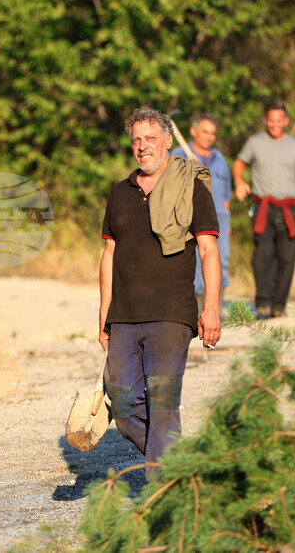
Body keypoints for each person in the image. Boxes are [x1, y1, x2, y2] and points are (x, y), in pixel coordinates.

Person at [99, 108, 222, 474]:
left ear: (168, 141)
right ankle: (180, 465)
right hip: (123, 317)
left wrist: (211, 308)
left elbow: (209, 250)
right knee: (121, 406)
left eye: (150, 138)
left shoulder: (191, 188)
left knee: (163, 403)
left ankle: (164, 493)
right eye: (136, 140)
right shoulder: (121, 192)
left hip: (171, 316)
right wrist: (104, 314)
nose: (142, 147)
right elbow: (108, 256)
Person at [233, 103, 295, 318]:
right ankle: (263, 303)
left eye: (279, 119)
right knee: (263, 256)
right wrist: (239, 182)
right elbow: (239, 163)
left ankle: (279, 305)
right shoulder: (255, 143)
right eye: (271, 119)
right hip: (263, 207)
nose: (275, 123)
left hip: (290, 209)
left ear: (286, 121)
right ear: (265, 120)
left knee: (287, 258)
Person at [171, 114, 232, 312]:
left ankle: (216, 309)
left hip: (219, 217)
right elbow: (169, 187)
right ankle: (196, 309)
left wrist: (227, 219)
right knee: (195, 261)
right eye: (205, 131)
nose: (209, 136)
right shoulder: (178, 154)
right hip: (189, 217)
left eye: (212, 133)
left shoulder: (219, 158)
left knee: (221, 259)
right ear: (193, 131)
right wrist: (187, 167)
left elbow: (225, 193)